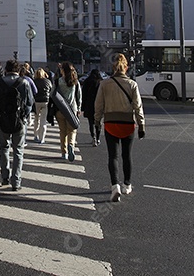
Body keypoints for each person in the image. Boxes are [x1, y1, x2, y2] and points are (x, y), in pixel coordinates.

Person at [94, 52, 146, 202]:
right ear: (126, 67)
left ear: (113, 67)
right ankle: (127, 184)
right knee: (126, 155)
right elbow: (138, 106)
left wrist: (97, 122)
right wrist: (141, 125)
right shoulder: (132, 84)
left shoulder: (104, 84)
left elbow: (98, 105)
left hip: (110, 123)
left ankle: (114, 185)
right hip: (127, 124)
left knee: (113, 156)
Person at [0, 59, 34, 190]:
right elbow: (30, 102)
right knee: (18, 151)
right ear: (18, 70)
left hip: (3, 120)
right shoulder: (24, 82)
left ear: (6, 70)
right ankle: (16, 181)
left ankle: (4, 177)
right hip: (19, 121)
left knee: (3, 148)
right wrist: (24, 115)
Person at [55, 62, 82, 162]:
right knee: (72, 130)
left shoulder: (58, 81)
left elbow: (52, 93)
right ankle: (71, 145)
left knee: (62, 131)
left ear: (63, 70)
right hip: (72, 109)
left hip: (60, 109)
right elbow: (79, 96)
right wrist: (79, 108)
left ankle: (64, 152)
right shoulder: (75, 81)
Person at [81, 67, 104, 146]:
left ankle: (93, 137)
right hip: (99, 105)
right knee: (98, 122)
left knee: (91, 123)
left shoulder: (87, 81)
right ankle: (98, 138)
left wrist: (82, 107)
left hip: (89, 104)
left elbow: (83, 94)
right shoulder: (101, 82)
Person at [30, 67, 54, 143]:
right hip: (45, 101)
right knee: (43, 120)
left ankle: (35, 136)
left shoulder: (34, 81)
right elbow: (51, 91)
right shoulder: (47, 81)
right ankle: (42, 138)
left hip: (36, 101)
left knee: (36, 119)